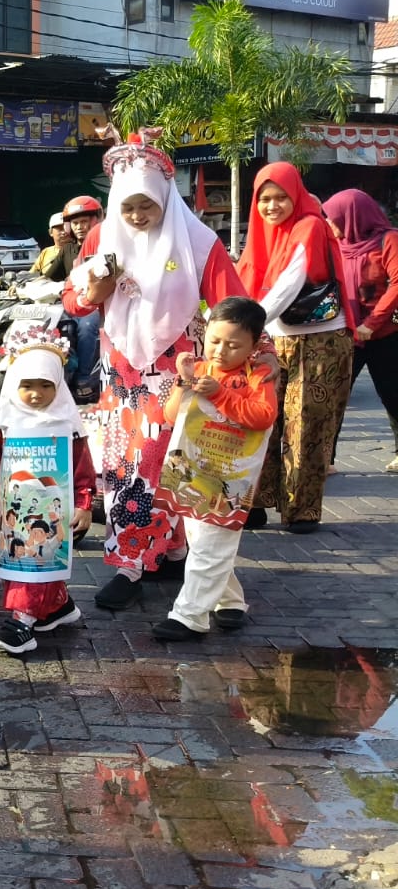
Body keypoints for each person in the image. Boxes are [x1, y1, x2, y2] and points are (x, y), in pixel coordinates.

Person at [63, 135, 253, 609]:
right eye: (128, 207)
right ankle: (132, 561)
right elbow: (72, 298)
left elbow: (233, 303)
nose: (137, 217)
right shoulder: (100, 237)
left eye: (147, 205)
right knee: (130, 461)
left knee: (170, 459)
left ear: (165, 198)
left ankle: (164, 551)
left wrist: (250, 352)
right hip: (122, 370)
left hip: (182, 367)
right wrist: (95, 290)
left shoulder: (196, 240)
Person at [236, 163, 355, 534]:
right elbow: (243, 279)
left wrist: (240, 328)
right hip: (274, 340)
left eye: (280, 197)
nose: (272, 206)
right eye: (264, 199)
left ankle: (301, 510)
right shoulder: (264, 235)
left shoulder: (309, 226)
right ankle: (254, 502)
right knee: (261, 422)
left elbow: (288, 285)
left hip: (320, 342)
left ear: (296, 196)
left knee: (307, 426)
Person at [152, 297, 278, 641]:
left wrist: (222, 393)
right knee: (201, 539)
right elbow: (171, 415)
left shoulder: (259, 374)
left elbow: (263, 416)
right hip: (193, 469)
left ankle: (189, 616)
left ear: (254, 345)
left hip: (230, 477)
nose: (221, 351)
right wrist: (183, 381)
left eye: (233, 344)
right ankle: (230, 600)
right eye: (215, 341)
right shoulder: (203, 368)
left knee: (210, 542)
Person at [0, 335, 94, 655]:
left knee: (36, 557)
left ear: (58, 384)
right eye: (27, 385)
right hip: (16, 508)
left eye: (45, 385)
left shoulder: (67, 425)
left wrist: (84, 503)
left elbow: (82, 467)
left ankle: (22, 624)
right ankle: (58, 607)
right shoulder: (10, 421)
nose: (36, 394)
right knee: (20, 558)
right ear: (13, 383)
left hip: (51, 510)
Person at [323, 190, 398, 474]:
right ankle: (326, 458)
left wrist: (372, 323)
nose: (330, 224)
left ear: (352, 216)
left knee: (392, 393)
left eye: (334, 218)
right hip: (346, 333)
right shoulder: (338, 245)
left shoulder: (388, 240)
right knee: (335, 395)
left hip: (385, 333)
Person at [61, 194, 104, 396]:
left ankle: (84, 377)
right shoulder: (67, 249)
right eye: (75, 223)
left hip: (96, 303)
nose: (79, 227)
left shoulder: (106, 243)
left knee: (86, 328)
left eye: (84, 222)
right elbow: (45, 273)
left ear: (95, 222)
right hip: (73, 300)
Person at [31, 212, 77, 281]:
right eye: (60, 229)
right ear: (50, 232)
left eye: (67, 228)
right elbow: (33, 273)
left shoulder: (80, 249)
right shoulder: (46, 252)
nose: (64, 232)